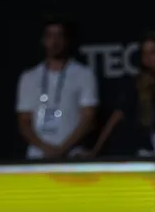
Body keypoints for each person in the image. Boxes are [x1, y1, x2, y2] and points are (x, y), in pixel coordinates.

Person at [85, 31, 155, 156]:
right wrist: (96, 150)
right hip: (146, 152)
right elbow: (116, 116)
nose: (148, 58)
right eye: (144, 53)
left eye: (153, 52)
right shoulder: (135, 84)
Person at [16, 18, 98, 160]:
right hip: (38, 155)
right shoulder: (29, 77)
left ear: (67, 40)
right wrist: (46, 148)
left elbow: (88, 117)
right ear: (43, 40)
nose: (55, 41)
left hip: (72, 154)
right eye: (50, 36)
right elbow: (24, 121)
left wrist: (63, 149)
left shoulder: (84, 74)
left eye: (60, 35)